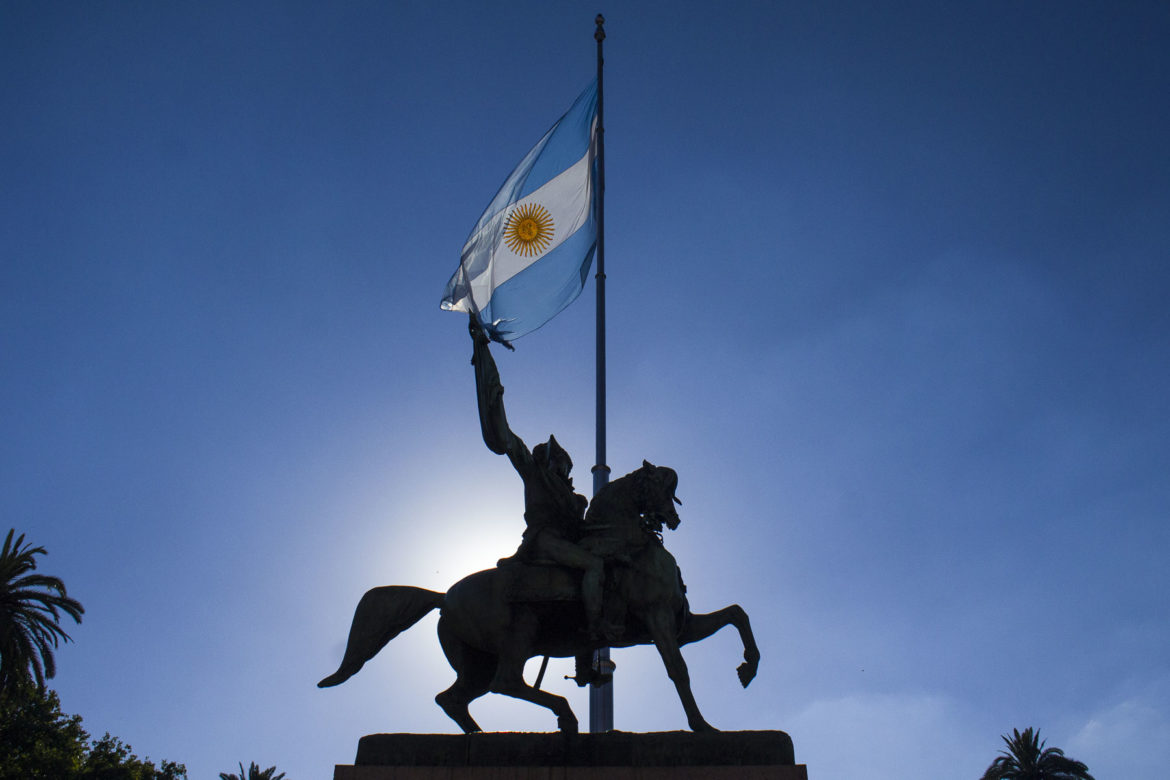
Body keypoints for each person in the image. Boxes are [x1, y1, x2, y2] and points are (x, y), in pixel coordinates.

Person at [468, 314, 617, 641]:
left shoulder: (575, 499)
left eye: (565, 462)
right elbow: (505, 436)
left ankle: (582, 649)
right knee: (593, 567)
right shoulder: (534, 471)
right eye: (560, 460)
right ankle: (594, 632)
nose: (564, 467)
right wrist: (483, 354)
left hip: (566, 542)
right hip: (545, 541)